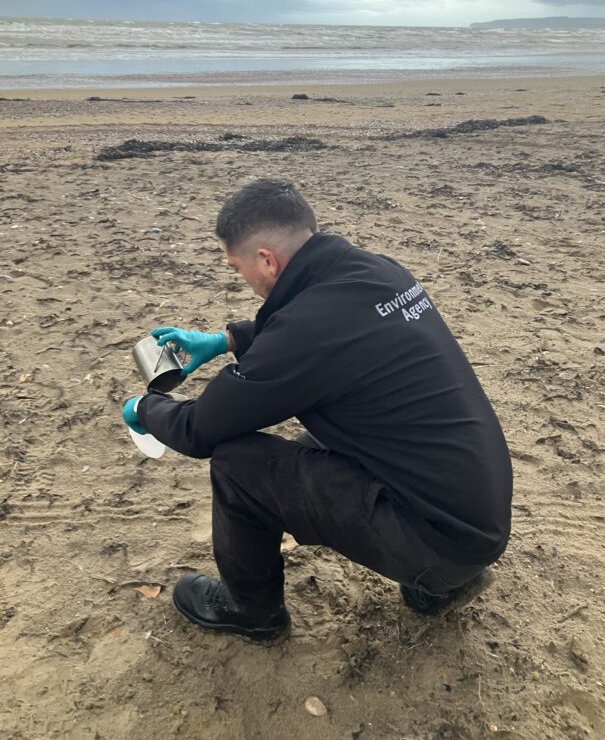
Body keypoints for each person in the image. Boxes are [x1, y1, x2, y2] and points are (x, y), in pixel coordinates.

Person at [122, 179, 512, 644]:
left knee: (237, 466)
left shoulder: (307, 332)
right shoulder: (378, 272)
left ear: (266, 259)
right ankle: (446, 581)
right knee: (317, 443)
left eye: (237, 267)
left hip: (438, 541)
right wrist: (227, 340)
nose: (240, 276)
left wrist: (145, 407)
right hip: (475, 520)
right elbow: (323, 332)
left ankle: (252, 610)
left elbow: (200, 429)